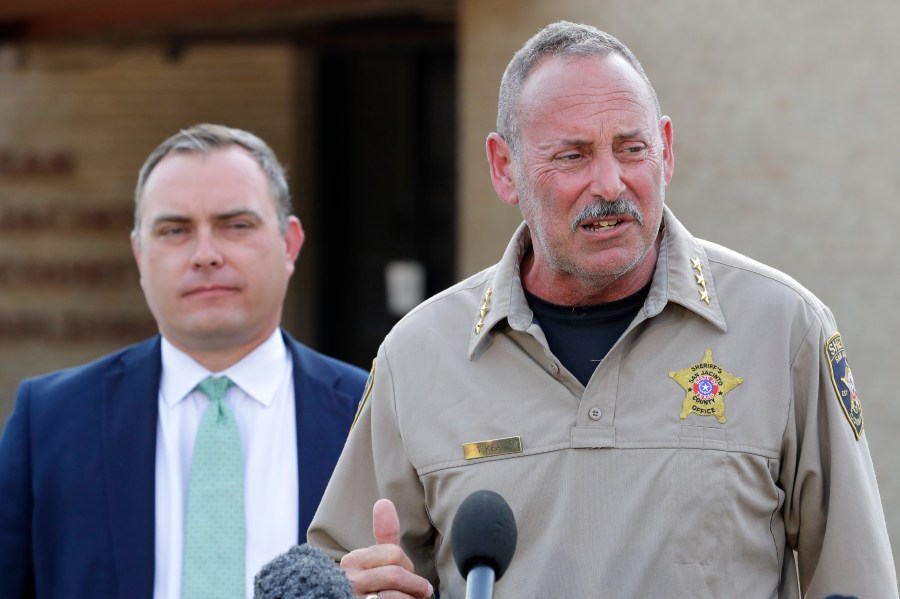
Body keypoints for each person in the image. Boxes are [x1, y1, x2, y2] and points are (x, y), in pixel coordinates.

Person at [307, 21, 898, 598]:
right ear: (504, 167)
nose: (611, 183)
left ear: (665, 150)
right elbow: (347, 569)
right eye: (573, 156)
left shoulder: (784, 330)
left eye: (631, 148)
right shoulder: (418, 354)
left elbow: (854, 578)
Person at [0, 124, 368, 599]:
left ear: (290, 243)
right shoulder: (49, 422)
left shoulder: (370, 415)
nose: (206, 255)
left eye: (236, 225)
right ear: (139, 253)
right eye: (175, 230)